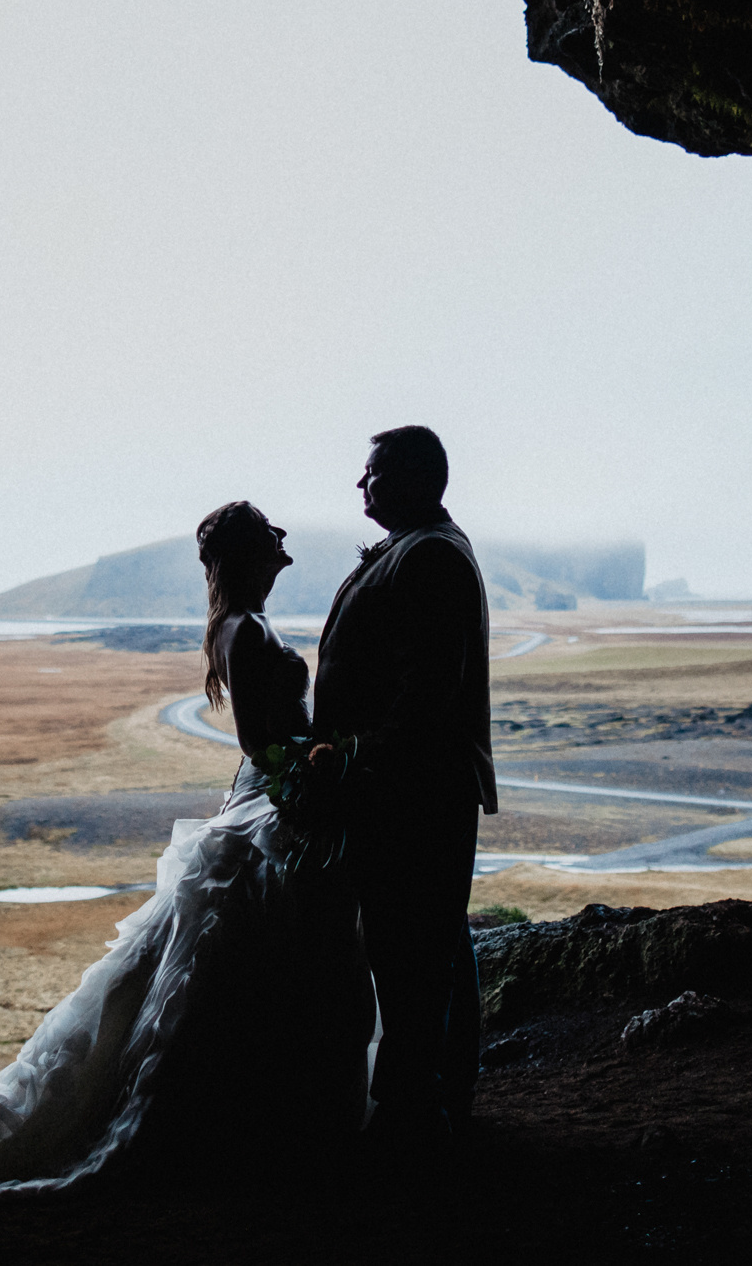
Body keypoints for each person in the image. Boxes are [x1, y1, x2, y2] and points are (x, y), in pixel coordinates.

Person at [0, 501, 370, 1216]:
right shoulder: (244, 629)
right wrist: (311, 770)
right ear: (248, 552)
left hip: (273, 808)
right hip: (268, 809)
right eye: (272, 534)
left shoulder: (249, 624)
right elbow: (255, 744)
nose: (285, 543)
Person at [306, 425, 494, 1148]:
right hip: (405, 786)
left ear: (417, 478)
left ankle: (419, 1118)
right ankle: (439, 1099)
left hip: (414, 793)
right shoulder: (416, 546)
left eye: (374, 473)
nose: (362, 485)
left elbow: (425, 696)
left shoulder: (433, 556)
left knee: (415, 954)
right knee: (434, 945)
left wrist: (352, 760)